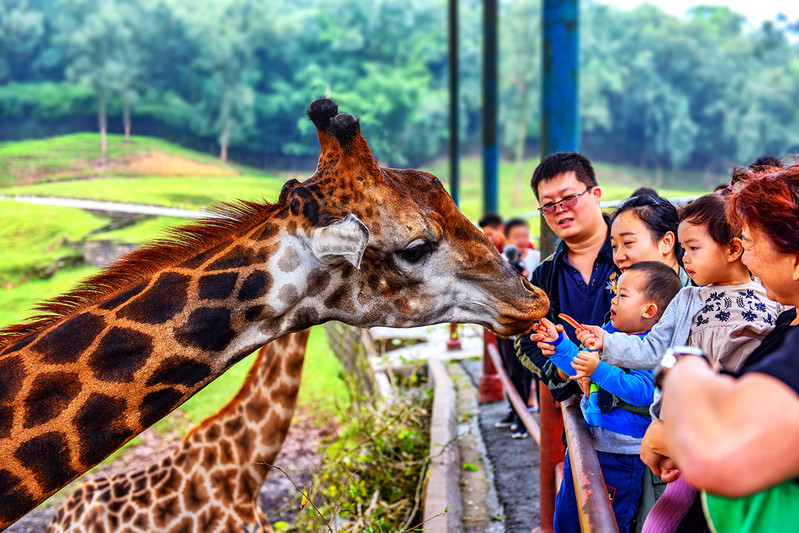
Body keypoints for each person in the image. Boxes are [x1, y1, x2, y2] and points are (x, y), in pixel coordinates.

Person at [643, 165, 799, 532]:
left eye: (750, 240)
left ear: (795, 260)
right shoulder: (785, 321)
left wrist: (681, 365)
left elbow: (724, 450)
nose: (741, 254)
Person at [536, 261, 683, 533]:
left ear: (649, 310)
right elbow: (579, 364)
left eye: (623, 295)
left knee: (610, 521)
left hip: (623, 455)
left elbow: (643, 392)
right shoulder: (609, 333)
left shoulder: (654, 348)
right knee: (567, 517)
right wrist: (559, 345)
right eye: (615, 292)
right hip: (592, 442)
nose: (613, 299)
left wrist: (599, 370)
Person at [576, 193, 781, 374]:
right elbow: (654, 348)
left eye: (693, 248)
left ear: (733, 250)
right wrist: (607, 340)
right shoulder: (686, 298)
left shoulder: (772, 299)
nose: (685, 257)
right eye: (684, 248)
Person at [514, 152, 619, 402]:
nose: (559, 210)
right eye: (548, 204)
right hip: (584, 412)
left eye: (569, 197)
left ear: (596, 194)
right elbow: (526, 342)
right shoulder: (544, 275)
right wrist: (560, 373)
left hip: (646, 410)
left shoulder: (635, 254)